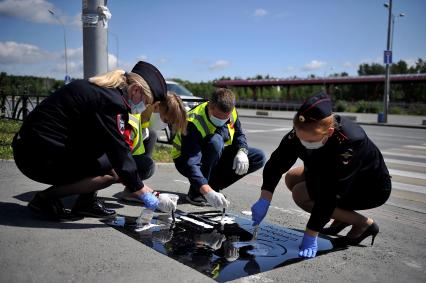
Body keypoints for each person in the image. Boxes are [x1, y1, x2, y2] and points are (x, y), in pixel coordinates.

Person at [13, 61, 176, 221]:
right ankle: (44, 199)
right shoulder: (111, 102)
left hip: (33, 147)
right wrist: (150, 196)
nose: (145, 106)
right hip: (34, 156)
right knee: (111, 172)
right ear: (135, 90)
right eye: (146, 102)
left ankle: (86, 203)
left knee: (104, 157)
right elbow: (120, 155)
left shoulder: (108, 92)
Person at [251, 92, 392, 258]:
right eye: (300, 138)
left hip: (367, 187)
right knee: (291, 177)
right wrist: (264, 198)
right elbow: (276, 163)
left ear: (330, 132)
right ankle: (342, 217)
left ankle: (364, 224)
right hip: (332, 175)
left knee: (300, 193)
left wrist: (311, 234)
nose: (304, 144)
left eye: (310, 141)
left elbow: (331, 192)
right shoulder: (303, 129)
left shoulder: (350, 141)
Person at [172, 88, 266, 208]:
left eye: (225, 118)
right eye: (218, 117)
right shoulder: (192, 121)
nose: (222, 121)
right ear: (210, 106)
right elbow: (191, 163)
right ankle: (197, 192)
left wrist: (242, 151)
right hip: (185, 159)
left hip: (214, 154)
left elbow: (239, 135)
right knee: (215, 142)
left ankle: (212, 187)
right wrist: (207, 192)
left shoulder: (231, 111)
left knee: (258, 156)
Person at [120, 92, 188, 203]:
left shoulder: (142, 119)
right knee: (148, 165)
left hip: (121, 160)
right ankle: (88, 192)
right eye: (165, 120)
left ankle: (133, 188)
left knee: (152, 136)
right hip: (113, 162)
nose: (165, 125)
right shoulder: (133, 116)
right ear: (156, 106)